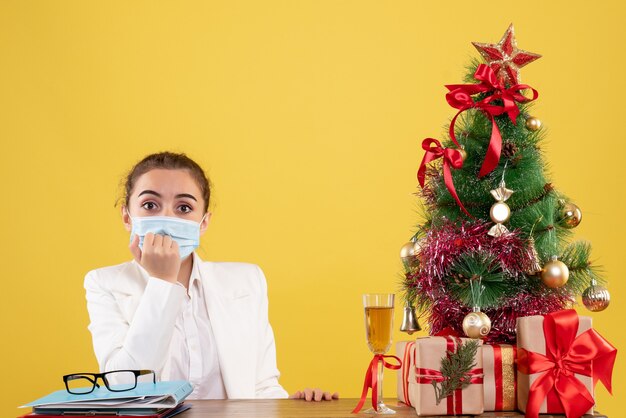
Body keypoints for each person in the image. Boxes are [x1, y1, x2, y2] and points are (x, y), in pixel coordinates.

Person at [84, 151, 337, 401]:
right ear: (127, 216)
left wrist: (295, 406)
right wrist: (161, 282)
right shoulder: (104, 284)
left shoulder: (247, 281)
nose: (167, 218)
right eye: (150, 205)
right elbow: (126, 387)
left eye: (184, 208)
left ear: (203, 222)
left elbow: (261, 388)